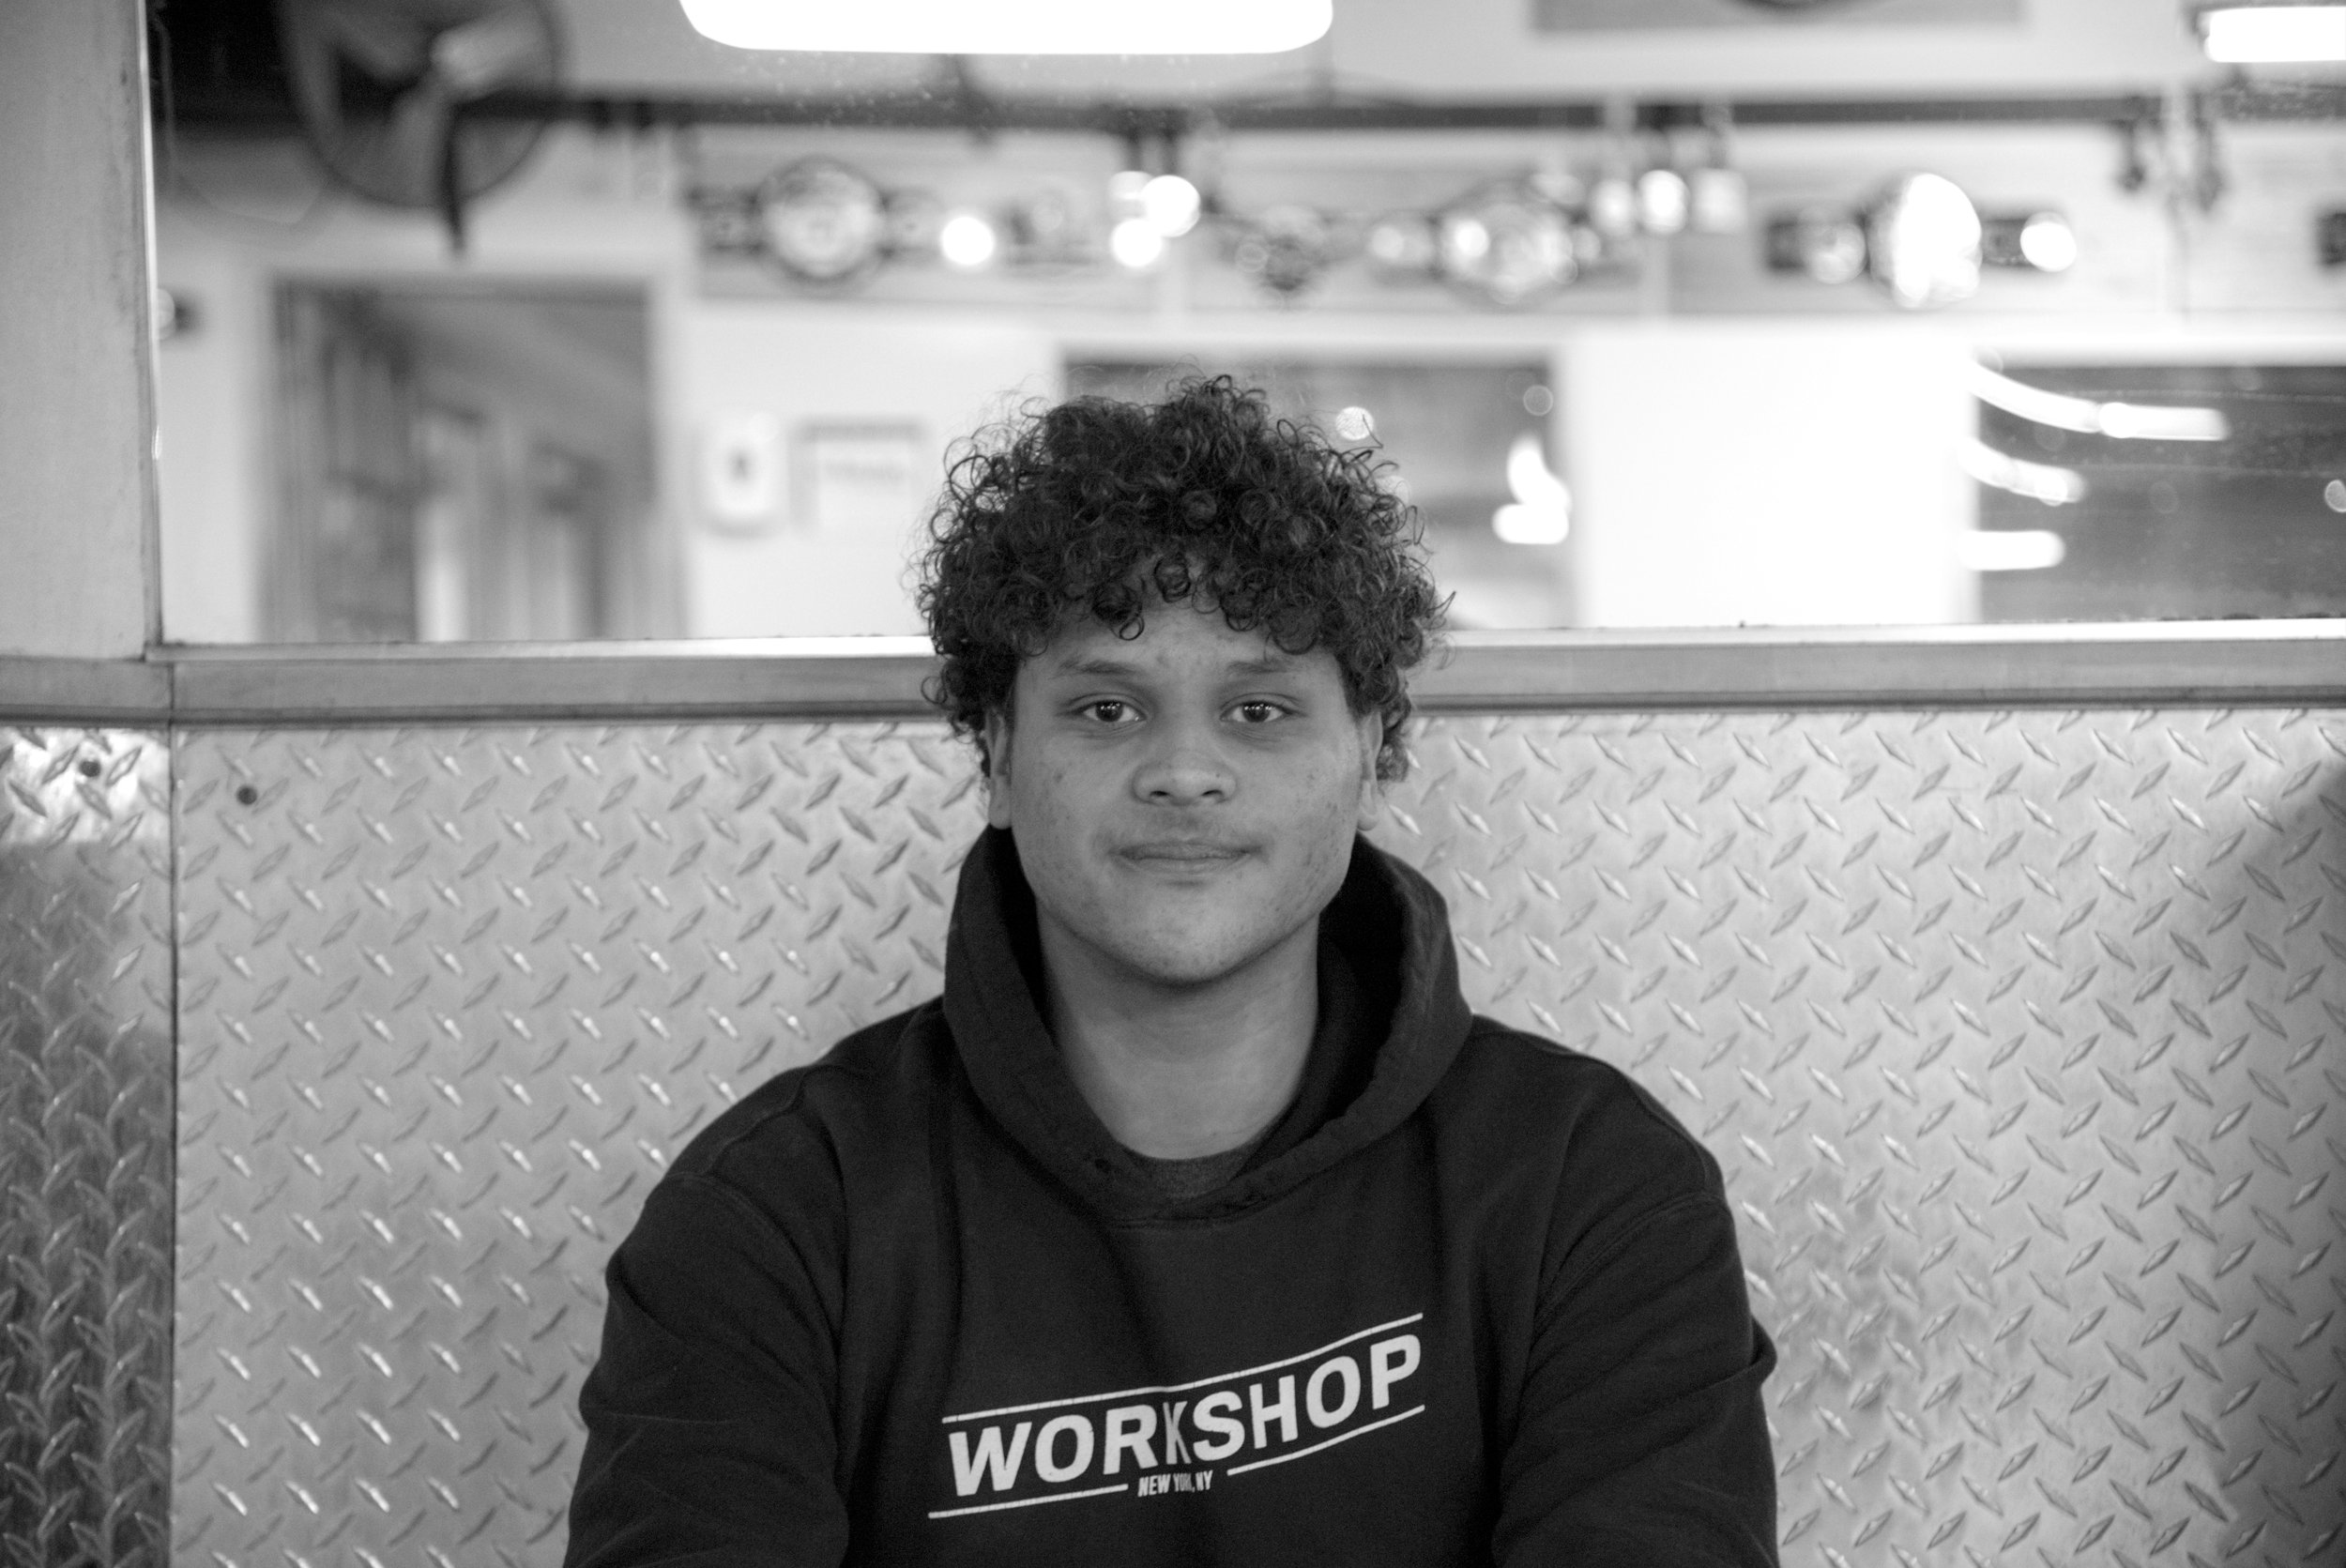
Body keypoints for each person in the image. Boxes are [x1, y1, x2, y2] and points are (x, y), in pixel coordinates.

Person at [562, 376, 1778, 1566]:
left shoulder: (1590, 1191)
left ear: (1370, 754)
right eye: (1106, 709)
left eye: (1259, 711)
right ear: (998, 755)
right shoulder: (774, 1221)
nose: (1184, 772)